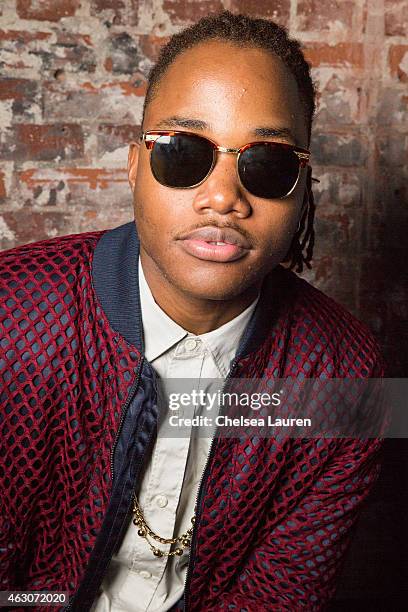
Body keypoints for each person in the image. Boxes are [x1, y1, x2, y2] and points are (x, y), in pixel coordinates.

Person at [0, 10, 385, 612]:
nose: (223, 197)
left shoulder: (350, 378)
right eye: (183, 153)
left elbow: (281, 597)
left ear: (303, 188)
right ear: (134, 166)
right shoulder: (12, 314)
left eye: (268, 163)